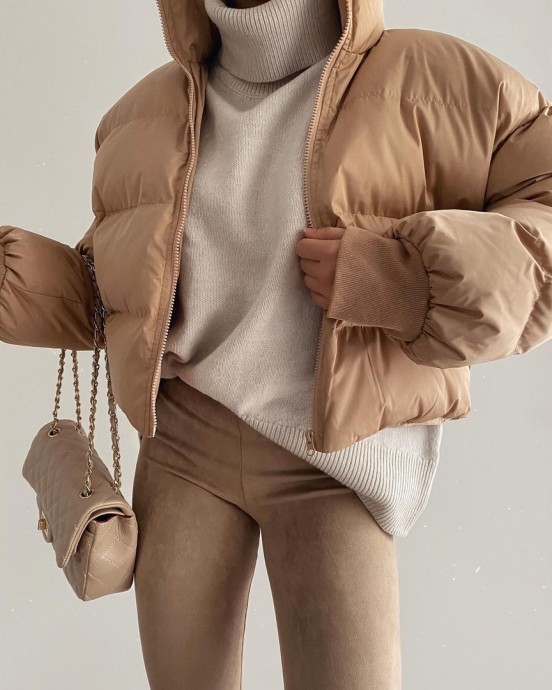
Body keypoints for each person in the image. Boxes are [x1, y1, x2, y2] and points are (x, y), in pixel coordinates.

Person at [1, 0, 551, 687]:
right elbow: (114, 295)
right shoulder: (137, 117)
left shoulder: (435, 80)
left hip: (335, 462)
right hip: (184, 450)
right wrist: (17, 282)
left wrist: (409, 280)